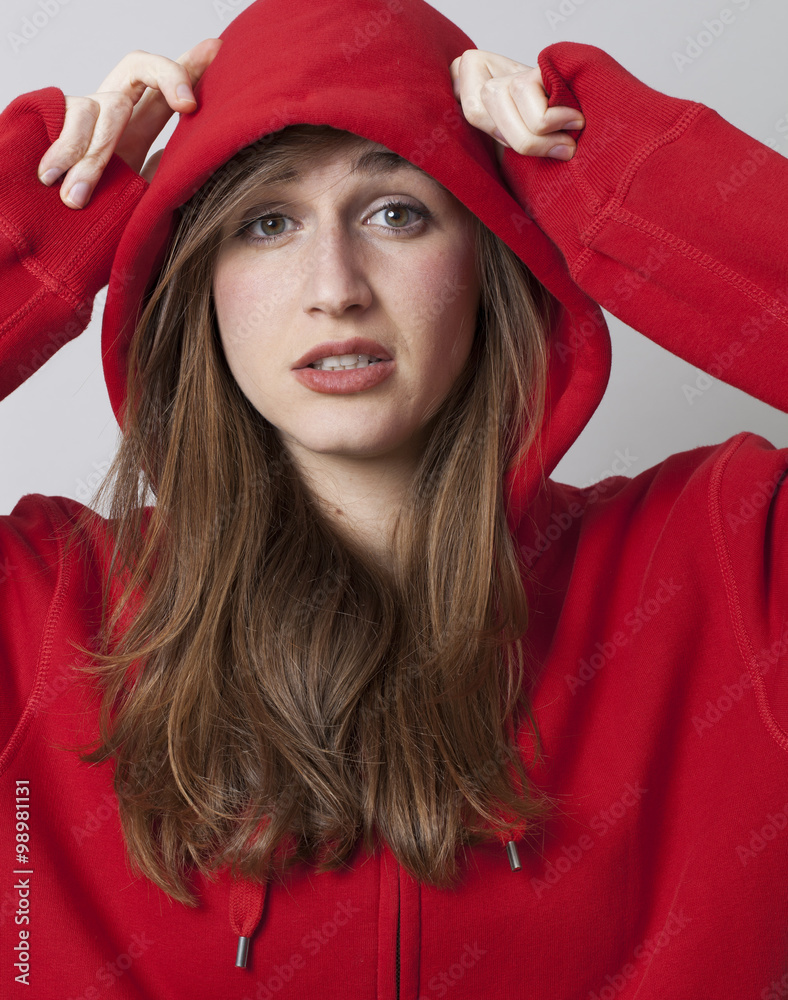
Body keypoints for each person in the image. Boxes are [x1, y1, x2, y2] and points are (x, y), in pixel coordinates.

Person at [1, 0, 787, 996]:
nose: (335, 286)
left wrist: (610, 173)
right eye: (266, 220)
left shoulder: (722, 565)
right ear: (192, 277)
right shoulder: (40, 610)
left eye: (395, 212)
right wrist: (44, 219)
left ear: (485, 254)